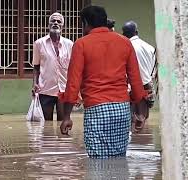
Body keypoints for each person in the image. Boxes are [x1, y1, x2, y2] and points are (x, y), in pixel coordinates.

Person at [59, 6, 149, 158]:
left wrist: (66, 116)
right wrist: (140, 113)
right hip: (122, 110)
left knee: (97, 161)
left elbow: (73, 83)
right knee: (119, 160)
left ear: (86, 23)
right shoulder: (125, 42)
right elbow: (135, 80)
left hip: (96, 109)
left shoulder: (81, 44)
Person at [32, 12, 74, 121]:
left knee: (63, 122)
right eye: (53, 21)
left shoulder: (69, 44)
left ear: (62, 26)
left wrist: (75, 90)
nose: (55, 23)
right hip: (45, 89)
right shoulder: (39, 43)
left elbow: (72, 68)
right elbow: (36, 67)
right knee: (46, 125)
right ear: (48, 24)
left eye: (59, 21)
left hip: (64, 90)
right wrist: (35, 84)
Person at [122, 21, 156, 123]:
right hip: (147, 86)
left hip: (131, 87)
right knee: (143, 119)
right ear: (137, 32)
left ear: (124, 34)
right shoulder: (150, 48)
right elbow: (154, 70)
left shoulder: (125, 47)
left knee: (131, 121)